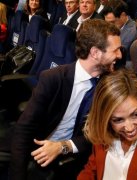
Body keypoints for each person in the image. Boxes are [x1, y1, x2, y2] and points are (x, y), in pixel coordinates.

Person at [9, 19, 122, 180]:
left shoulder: (110, 84)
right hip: (41, 149)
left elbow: (102, 135)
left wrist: (63, 147)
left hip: (78, 156)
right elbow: (24, 129)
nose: (120, 55)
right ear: (95, 53)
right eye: (116, 50)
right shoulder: (53, 79)